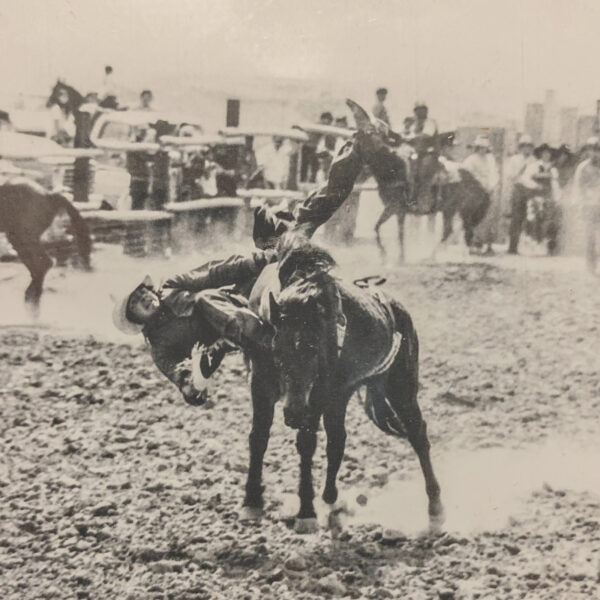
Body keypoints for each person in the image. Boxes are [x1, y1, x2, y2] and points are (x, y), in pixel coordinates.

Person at [112, 273, 273, 405]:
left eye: (142, 292)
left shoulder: (171, 287)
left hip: (235, 304)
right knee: (192, 389)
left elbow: (212, 272)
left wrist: (253, 261)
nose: (143, 298)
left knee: (203, 297)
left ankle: (261, 336)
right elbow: (175, 370)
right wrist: (189, 382)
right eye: (135, 303)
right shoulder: (159, 346)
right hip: (218, 345)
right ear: (135, 319)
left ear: (150, 290)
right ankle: (200, 379)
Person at [462, 136, 500, 254]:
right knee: (476, 216)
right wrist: (481, 185)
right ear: (477, 148)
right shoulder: (471, 160)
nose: (482, 150)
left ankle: (488, 244)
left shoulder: (490, 159)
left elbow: (494, 173)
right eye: (480, 148)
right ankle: (474, 243)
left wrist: (492, 186)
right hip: (476, 191)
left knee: (490, 217)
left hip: (490, 190)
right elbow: (468, 174)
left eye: (485, 148)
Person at [572, 139, 600, 272]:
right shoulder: (583, 168)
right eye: (592, 150)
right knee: (590, 235)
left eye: (598, 150)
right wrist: (580, 204)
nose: (595, 154)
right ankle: (591, 264)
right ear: (588, 151)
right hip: (589, 205)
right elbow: (578, 188)